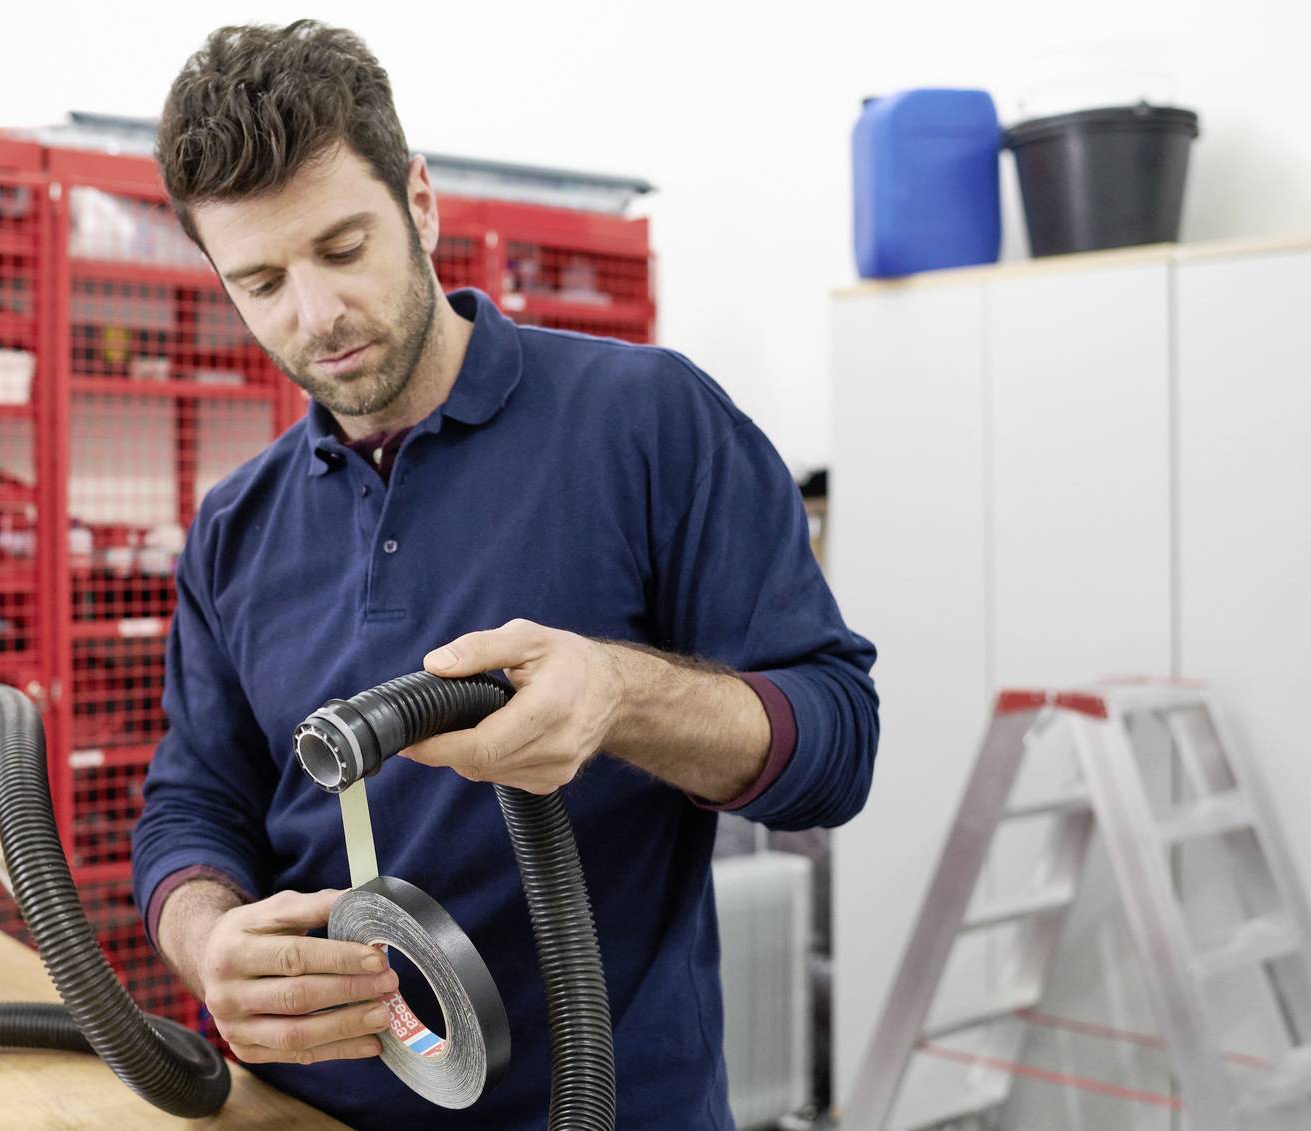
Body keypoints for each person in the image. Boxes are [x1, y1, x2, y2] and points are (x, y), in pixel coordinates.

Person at [131, 20, 879, 1130]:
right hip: (302, 1111)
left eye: (342, 250)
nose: (314, 315)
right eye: (260, 281)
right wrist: (204, 941)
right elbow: (194, 799)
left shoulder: (648, 422)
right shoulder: (236, 524)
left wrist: (621, 697)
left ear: (419, 203)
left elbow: (835, 744)